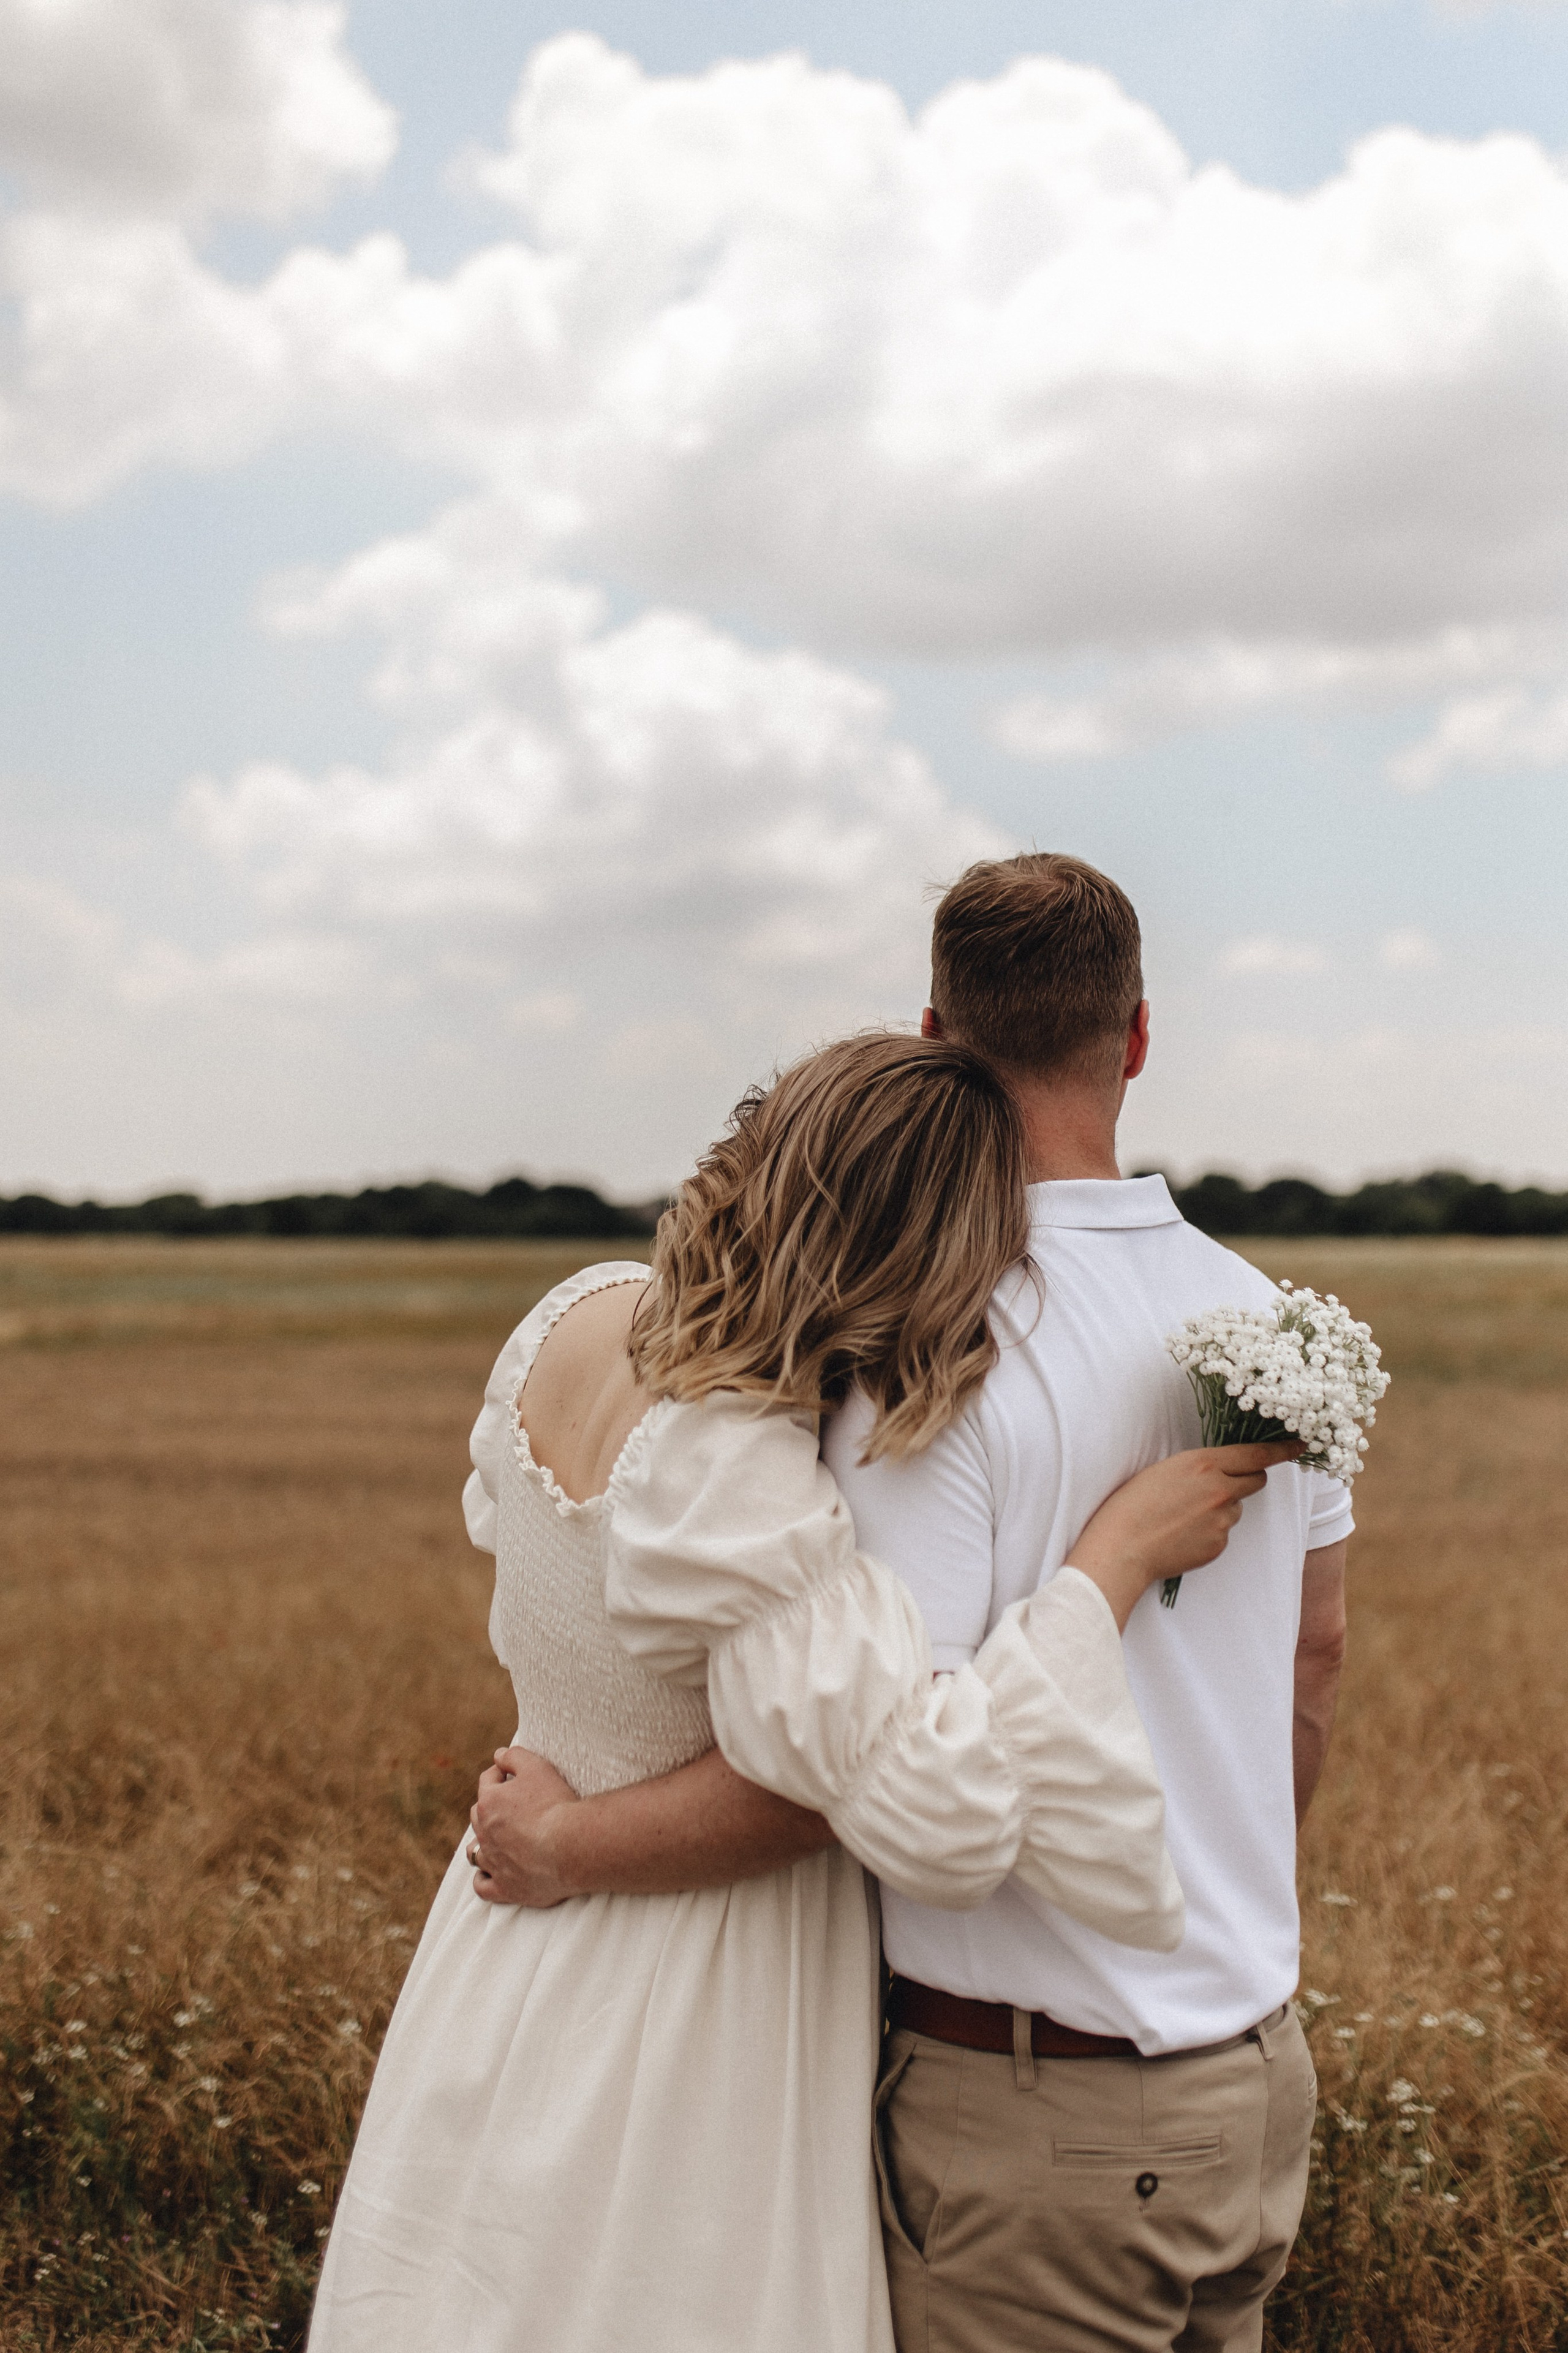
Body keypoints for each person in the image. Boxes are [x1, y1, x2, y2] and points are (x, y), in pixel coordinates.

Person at [307, 1031, 1292, 2353]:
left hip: (504, 1946)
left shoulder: (573, 1316)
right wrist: (1103, 1567)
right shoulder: (751, 1458)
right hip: (703, 1973)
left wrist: (549, 1834)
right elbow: (889, 1793)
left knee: (485, 2283)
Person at [826, 853, 1353, 2353]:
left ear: (933, 1036)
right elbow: (1310, 1659)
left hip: (1036, 2115)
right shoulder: (1273, 1319)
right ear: (1133, 1035)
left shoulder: (928, 1353)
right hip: (1251, 2077)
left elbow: (889, 1760)